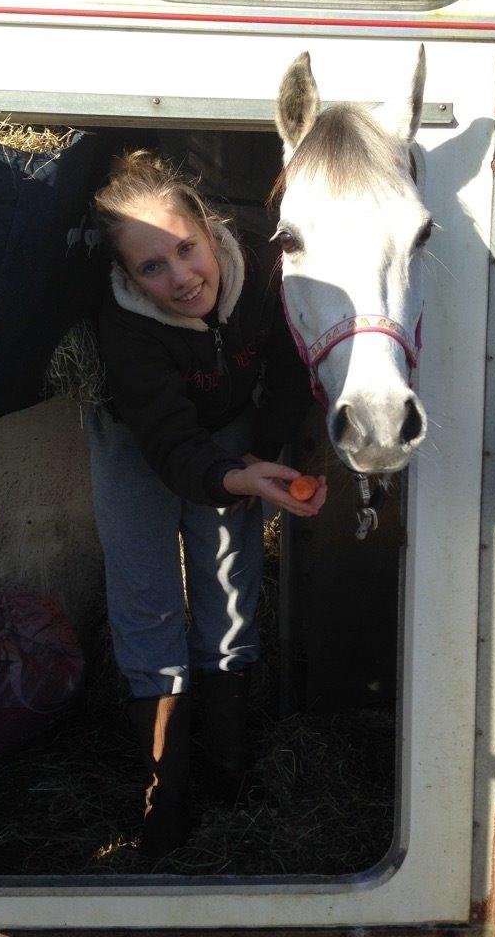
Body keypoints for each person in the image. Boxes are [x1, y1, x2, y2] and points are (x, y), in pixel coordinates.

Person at [89, 150, 327, 863]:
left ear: (208, 229)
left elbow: (288, 369)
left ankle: (228, 763)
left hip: (226, 424)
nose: (180, 277)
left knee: (230, 576)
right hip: (138, 436)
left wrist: (264, 453)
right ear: (127, 278)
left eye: (185, 249)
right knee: (146, 588)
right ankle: (168, 786)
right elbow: (167, 442)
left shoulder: (263, 273)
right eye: (151, 268)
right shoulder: (126, 325)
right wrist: (238, 477)